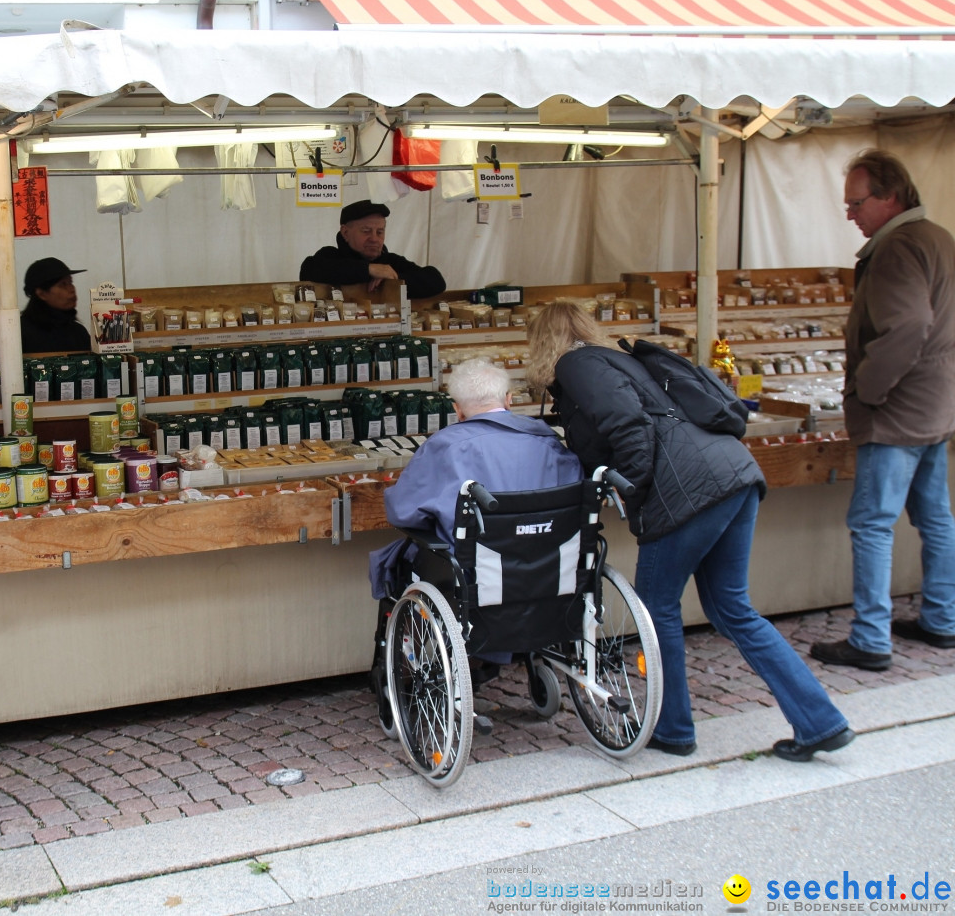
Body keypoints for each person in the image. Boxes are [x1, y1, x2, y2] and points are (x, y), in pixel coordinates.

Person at [526, 301, 854, 762]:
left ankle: (674, 728)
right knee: (734, 609)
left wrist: (634, 489)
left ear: (541, 342)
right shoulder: (619, 358)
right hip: (733, 475)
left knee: (657, 609)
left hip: (687, 493)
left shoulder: (576, 364)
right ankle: (820, 721)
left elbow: (629, 425)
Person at [368, 358, 581, 730]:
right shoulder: (547, 441)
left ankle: (402, 678)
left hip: (474, 579)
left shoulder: (446, 446)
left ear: (457, 408)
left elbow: (402, 512)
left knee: (401, 563)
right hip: (549, 571)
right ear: (510, 399)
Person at [810, 150, 955, 671]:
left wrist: (869, 390)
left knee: (872, 523)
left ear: (890, 196)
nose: (850, 214)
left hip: (896, 413)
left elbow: (908, 326)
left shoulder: (896, 248)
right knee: (935, 517)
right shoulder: (938, 237)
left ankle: (871, 638)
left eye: (856, 203)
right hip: (934, 406)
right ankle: (943, 618)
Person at [300, 199, 446, 301]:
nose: (374, 239)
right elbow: (309, 269)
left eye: (380, 232)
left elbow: (436, 280)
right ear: (345, 233)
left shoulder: (391, 262)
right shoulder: (329, 256)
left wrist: (392, 280)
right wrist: (368, 269)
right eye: (366, 231)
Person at [20, 257, 92, 353]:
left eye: (70, 282)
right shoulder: (19, 333)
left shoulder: (78, 332)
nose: (71, 289)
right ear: (42, 294)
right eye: (63, 284)